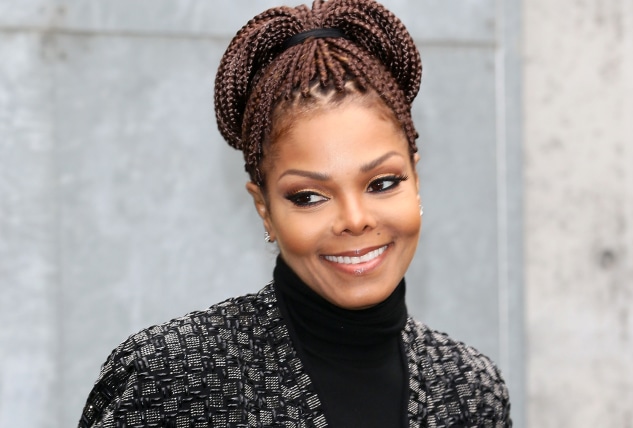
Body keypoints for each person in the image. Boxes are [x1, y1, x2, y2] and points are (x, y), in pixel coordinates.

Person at [78, 0, 511, 426]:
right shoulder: (169, 378)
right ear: (263, 209)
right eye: (308, 196)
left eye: (382, 183)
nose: (355, 218)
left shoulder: (472, 390)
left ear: (415, 179)